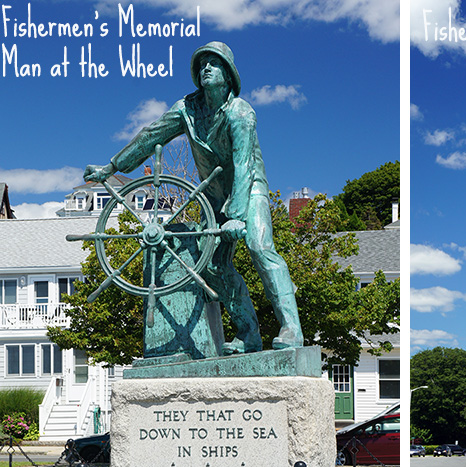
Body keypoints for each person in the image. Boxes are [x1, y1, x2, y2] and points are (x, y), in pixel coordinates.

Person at [84, 42, 303, 354]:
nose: (206, 69)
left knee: (259, 246)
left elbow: (242, 165)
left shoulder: (241, 114)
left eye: (214, 64)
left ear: (229, 75)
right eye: (202, 65)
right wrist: (113, 167)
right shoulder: (187, 109)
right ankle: (248, 334)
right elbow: (151, 135)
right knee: (212, 266)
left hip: (249, 189)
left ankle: (291, 327)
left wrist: (237, 216)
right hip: (213, 197)